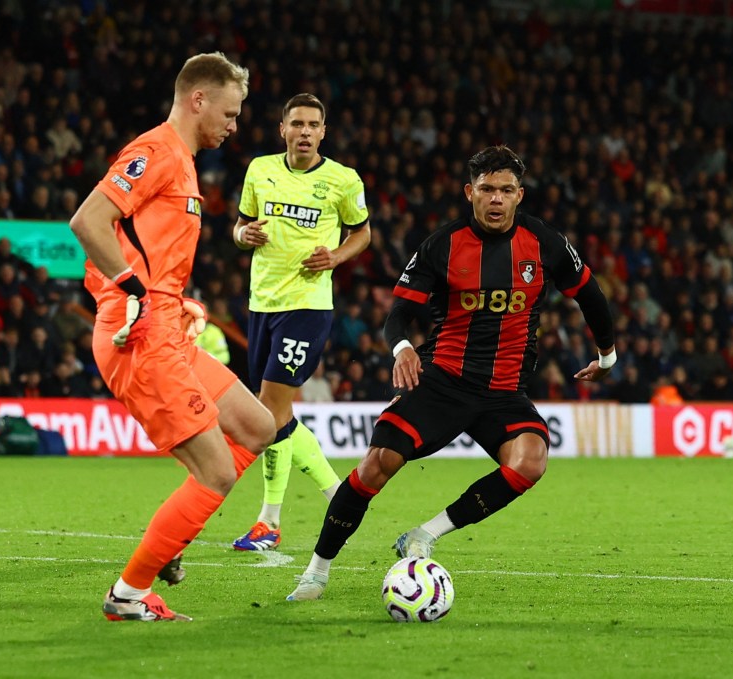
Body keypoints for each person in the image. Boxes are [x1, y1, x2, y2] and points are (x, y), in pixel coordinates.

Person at [286, 146, 616, 601]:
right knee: (376, 466)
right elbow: (397, 314)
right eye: (486, 190)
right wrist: (402, 348)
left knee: (530, 461)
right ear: (469, 192)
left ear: (520, 195)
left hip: (503, 392)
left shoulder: (546, 243)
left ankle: (424, 535)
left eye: (505, 190)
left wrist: (608, 355)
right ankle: (317, 570)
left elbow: (591, 295)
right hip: (442, 383)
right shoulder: (443, 244)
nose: (496, 199)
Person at [69, 52, 275, 622]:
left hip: (166, 326)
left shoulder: (182, 161)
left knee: (258, 426)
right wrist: (135, 290)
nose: (234, 127)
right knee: (214, 472)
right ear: (198, 99)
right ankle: (127, 596)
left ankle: (173, 540)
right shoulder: (156, 151)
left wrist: (174, 298)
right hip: (138, 336)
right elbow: (87, 222)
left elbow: (145, 249)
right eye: (230, 114)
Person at [230, 93, 371, 551]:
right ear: (283, 129)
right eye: (298, 124)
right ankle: (339, 495)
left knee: (268, 411)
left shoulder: (342, 180)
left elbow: (363, 232)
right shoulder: (259, 170)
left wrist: (335, 256)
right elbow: (240, 225)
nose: (306, 131)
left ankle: (269, 521)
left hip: (308, 305)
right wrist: (241, 234)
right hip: (261, 303)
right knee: (278, 413)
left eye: (314, 124)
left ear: (324, 132)